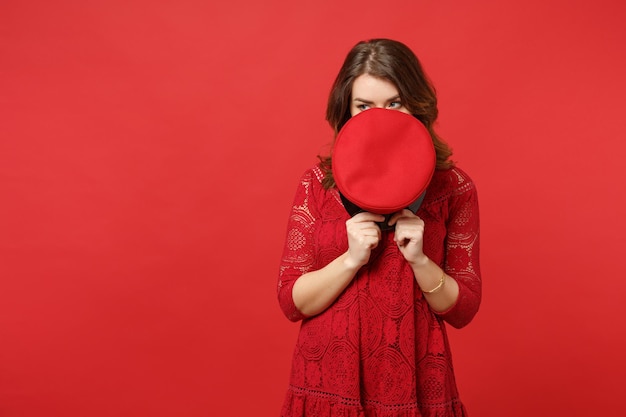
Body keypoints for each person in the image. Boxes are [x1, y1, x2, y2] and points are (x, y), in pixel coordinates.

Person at [277, 38, 482, 417]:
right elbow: (291, 301)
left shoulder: (454, 188)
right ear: (346, 110)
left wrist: (421, 262)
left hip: (417, 381)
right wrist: (350, 260)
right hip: (327, 384)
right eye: (364, 105)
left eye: (394, 103)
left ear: (416, 105)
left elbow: (464, 309)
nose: (379, 116)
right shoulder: (315, 185)